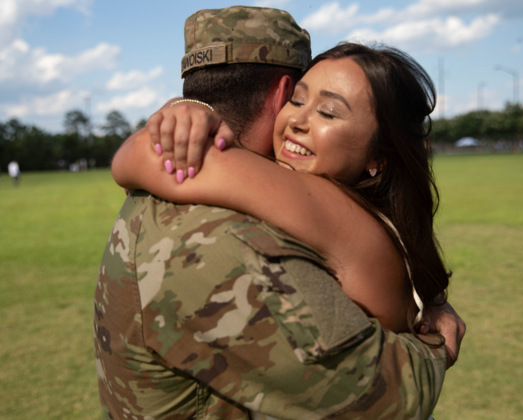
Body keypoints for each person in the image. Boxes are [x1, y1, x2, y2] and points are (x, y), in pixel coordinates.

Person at [97, 6, 464, 420]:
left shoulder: (313, 202)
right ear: (281, 93)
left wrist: (183, 109)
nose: (299, 121)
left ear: (379, 156)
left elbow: (137, 158)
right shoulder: (360, 208)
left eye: (328, 112)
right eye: (297, 100)